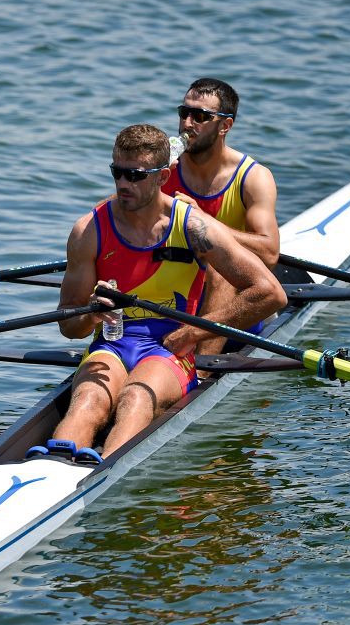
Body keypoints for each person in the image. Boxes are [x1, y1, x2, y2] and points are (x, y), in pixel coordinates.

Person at [29, 124, 286, 464]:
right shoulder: (89, 230)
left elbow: (270, 294)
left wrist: (195, 332)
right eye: (117, 172)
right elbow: (68, 326)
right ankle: (48, 473)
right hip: (112, 343)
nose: (123, 184)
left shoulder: (193, 227)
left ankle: (104, 474)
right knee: (88, 400)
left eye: (135, 175)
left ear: (163, 176)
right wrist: (92, 312)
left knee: (136, 398)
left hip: (169, 349)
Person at [163, 78, 280, 361]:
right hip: (174, 289)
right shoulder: (164, 168)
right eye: (184, 112)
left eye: (200, 116)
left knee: (219, 262)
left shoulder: (253, 178)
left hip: (233, 306)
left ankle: (201, 371)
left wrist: (204, 221)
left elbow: (270, 252)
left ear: (224, 126)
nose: (187, 123)